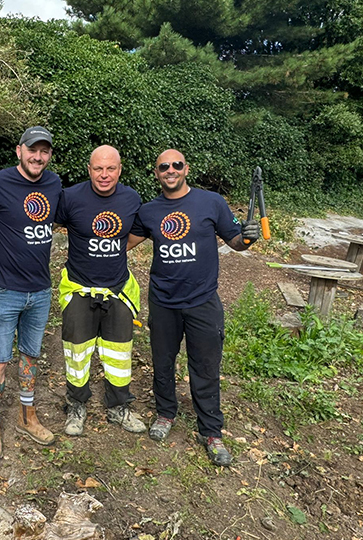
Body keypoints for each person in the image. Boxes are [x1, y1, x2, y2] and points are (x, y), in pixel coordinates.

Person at [128, 148, 260, 467]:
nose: (170, 170)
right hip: (163, 302)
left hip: (203, 301)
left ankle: (211, 432)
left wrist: (249, 238)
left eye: (176, 165)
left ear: (186, 169)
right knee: (162, 362)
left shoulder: (210, 202)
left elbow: (235, 242)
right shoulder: (148, 211)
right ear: (156, 173)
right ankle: (165, 413)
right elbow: (121, 243)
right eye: (163, 167)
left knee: (205, 367)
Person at [0, 126, 62, 460]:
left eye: (44, 151)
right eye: (32, 150)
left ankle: (28, 416)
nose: (38, 156)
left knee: (29, 357)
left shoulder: (54, 185)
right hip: (4, 291)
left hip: (40, 291)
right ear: (19, 151)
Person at [54, 145, 146, 436]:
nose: (104, 175)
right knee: (76, 354)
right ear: (89, 169)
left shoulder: (131, 199)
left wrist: (114, 249)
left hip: (117, 289)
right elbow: (44, 225)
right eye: (98, 168)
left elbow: (135, 235)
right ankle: (76, 406)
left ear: (119, 170)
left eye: (110, 169)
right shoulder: (70, 197)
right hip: (79, 289)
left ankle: (119, 407)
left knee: (119, 355)